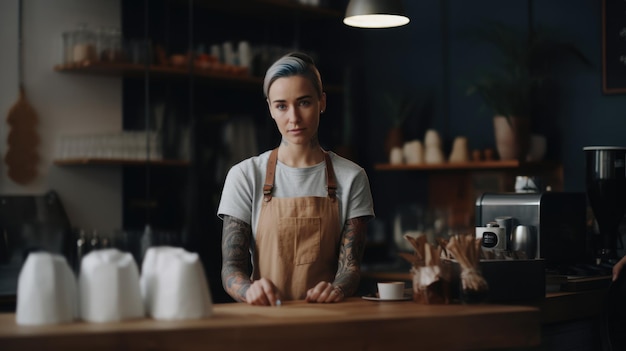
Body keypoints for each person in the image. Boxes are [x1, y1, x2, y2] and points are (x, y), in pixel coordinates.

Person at [217, 52, 375, 305]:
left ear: (322, 102)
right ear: (270, 108)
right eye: (281, 105)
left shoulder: (352, 177)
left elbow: (350, 267)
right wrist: (249, 290)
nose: (294, 118)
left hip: (328, 319)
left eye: (304, 103)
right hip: (266, 320)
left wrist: (337, 289)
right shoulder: (245, 176)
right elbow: (231, 269)